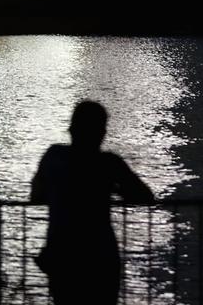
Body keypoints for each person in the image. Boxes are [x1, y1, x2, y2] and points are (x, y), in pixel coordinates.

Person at [30, 100, 154, 305]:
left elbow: (36, 197)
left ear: (72, 128)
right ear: (101, 132)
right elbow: (145, 197)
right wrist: (113, 188)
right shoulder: (109, 164)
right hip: (101, 258)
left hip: (63, 257)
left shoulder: (53, 157)